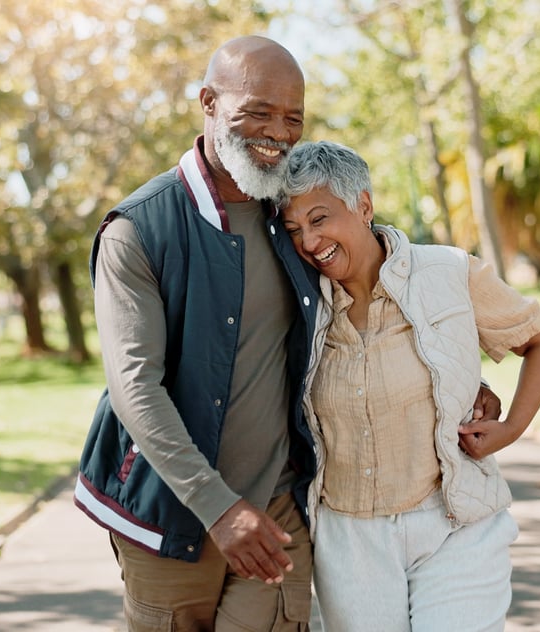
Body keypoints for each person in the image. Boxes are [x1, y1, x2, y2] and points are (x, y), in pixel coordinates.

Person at [75, 36, 501, 630]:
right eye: (258, 112)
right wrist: (219, 510)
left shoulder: (295, 217)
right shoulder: (138, 230)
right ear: (208, 102)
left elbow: (374, 288)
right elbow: (135, 388)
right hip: (170, 510)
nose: (277, 133)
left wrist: (454, 379)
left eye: (292, 118)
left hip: (280, 506)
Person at [278, 141, 540, 632]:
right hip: (350, 538)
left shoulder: (448, 272)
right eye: (294, 229)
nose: (308, 240)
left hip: (454, 523)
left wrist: (513, 426)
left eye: (320, 218)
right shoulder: (299, 302)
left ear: (363, 206)